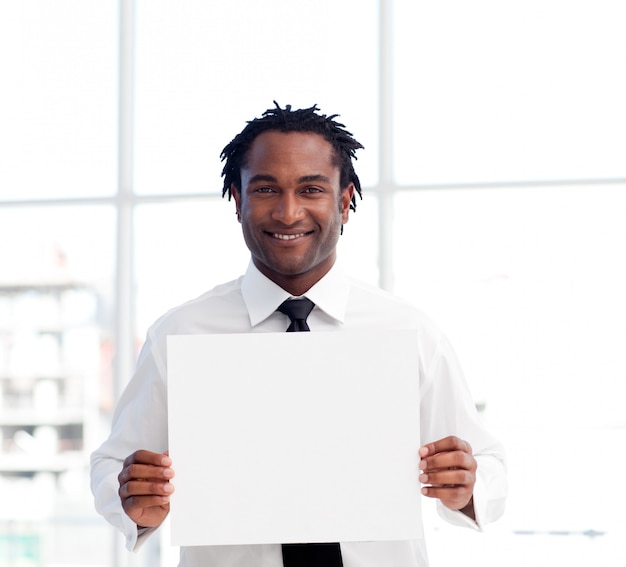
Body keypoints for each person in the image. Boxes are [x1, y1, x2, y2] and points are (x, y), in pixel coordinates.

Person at [90, 102, 507, 567]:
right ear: (237, 199)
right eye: (266, 189)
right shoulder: (181, 334)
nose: (289, 213)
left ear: (344, 200)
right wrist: (133, 501)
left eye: (311, 189)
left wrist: (467, 488)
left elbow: (489, 466)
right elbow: (113, 465)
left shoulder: (409, 331)